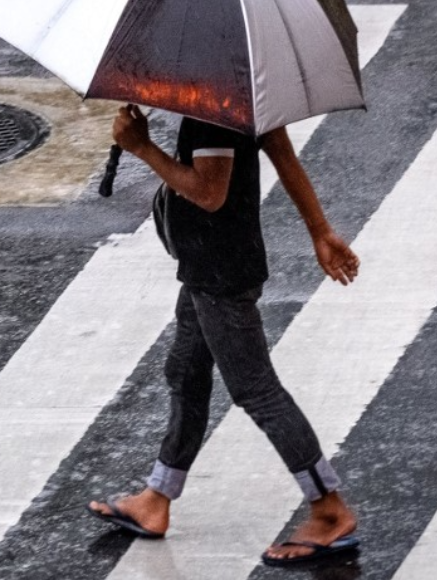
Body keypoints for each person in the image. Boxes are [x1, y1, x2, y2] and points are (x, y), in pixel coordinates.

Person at [88, 104, 361, 567]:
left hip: (219, 275)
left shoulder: (209, 109)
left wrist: (143, 148)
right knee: (186, 373)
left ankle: (329, 509)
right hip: (209, 265)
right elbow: (283, 154)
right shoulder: (243, 89)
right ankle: (158, 497)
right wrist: (320, 231)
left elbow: (210, 192)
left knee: (255, 389)